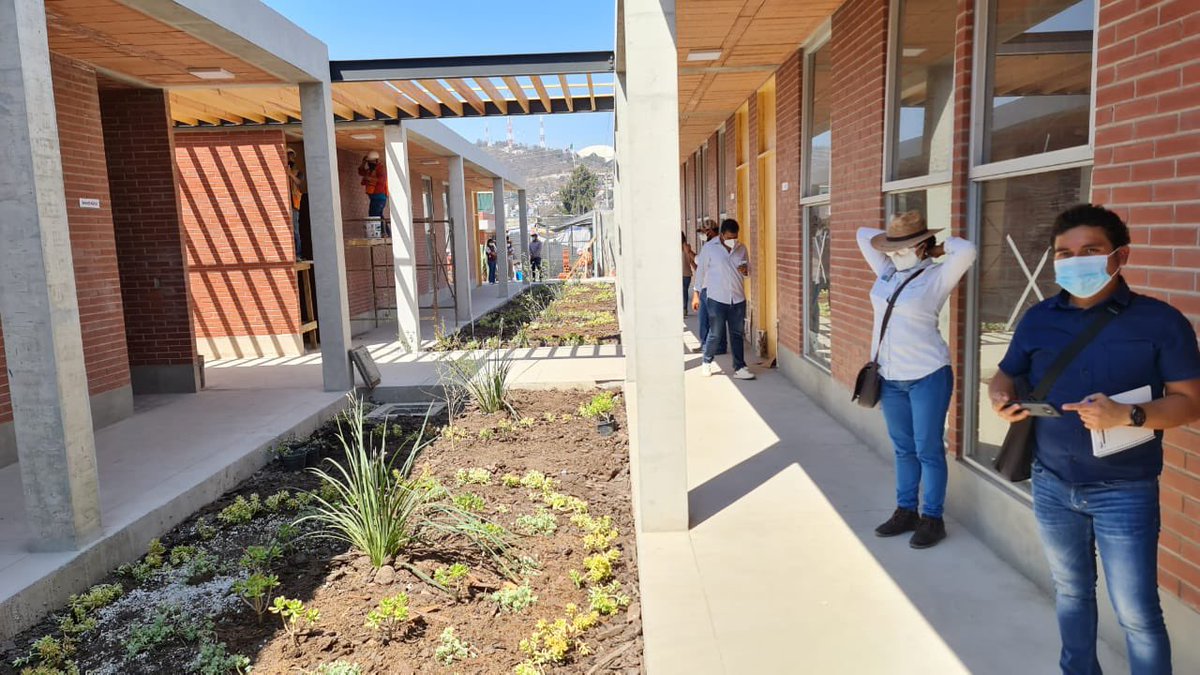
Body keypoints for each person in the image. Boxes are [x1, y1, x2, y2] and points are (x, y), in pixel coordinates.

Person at [989, 204, 1200, 674]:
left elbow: (1190, 401)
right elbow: (1005, 375)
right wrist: (1000, 397)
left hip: (1125, 491)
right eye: (1064, 253)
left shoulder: (1160, 322)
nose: (1075, 260)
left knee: (1137, 615)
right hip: (1051, 483)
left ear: (1120, 256)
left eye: (1091, 250)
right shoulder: (1039, 318)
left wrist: (1130, 414)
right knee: (1070, 592)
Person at [857, 211, 976, 549]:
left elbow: (966, 250)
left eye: (905, 248)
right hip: (890, 378)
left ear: (922, 247)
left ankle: (933, 518)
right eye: (892, 249)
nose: (895, 255)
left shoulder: (937, 276)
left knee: (928, 450)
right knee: (903, 449)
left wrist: (937, 249)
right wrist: (896, 241)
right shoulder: (887, 272)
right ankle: (905, 510)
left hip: (927, 376)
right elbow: (863, 233)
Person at [691, 219, 755, 380]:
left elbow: (748, 271)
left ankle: (740, 367)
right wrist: (696, 293)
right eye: (729, 237)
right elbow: (701, 272)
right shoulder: (709, 248)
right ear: (721, 235)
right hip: (717, 299)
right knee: (716, 333)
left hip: (737, 298)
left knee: (736, 334)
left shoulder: (741, 248)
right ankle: (707, 361)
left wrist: (746, 270)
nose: (732, 240)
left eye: (735, 236)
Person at [693, 219, 727, 355]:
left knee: (714, 319)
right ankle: (706, 344)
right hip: (706, 287)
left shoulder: (717, 246)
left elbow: (701, 263)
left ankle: (717, 346)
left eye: (703, 232)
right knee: (705, 320)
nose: (702, 235)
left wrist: (692, 255)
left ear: (711, 231)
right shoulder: (708, 246)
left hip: (713, 287)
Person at [286, 148, 306, 259]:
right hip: (285, 204)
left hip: (294, 205)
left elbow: (299, 182)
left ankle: (298, 253)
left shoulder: (298, 172)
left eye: (291, 156)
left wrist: (290, 174)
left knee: (295, 230)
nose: (289, 158)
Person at [358, 150, 387, 220]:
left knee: (374, 217)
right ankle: (386, 231)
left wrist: (370, 179)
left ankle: (381, 231)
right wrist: (363, 163)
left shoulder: (380, 170)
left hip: (379, 198)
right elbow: (361, 172)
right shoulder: (370, 170)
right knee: (378, 217)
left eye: (371, 162)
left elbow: (382, 180)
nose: (370, 163)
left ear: (376, 161)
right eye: (369, 162)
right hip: (373, 198)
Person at [682, 232, 697, 317]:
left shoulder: (675, 248)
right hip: (687, 274)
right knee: (684, 292)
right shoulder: (687, 247)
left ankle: (683, 309)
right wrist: (696, 268)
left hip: (683, 274)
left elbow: (691, 260)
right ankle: (684, 309)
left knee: (682, 292)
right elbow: (691, 260)